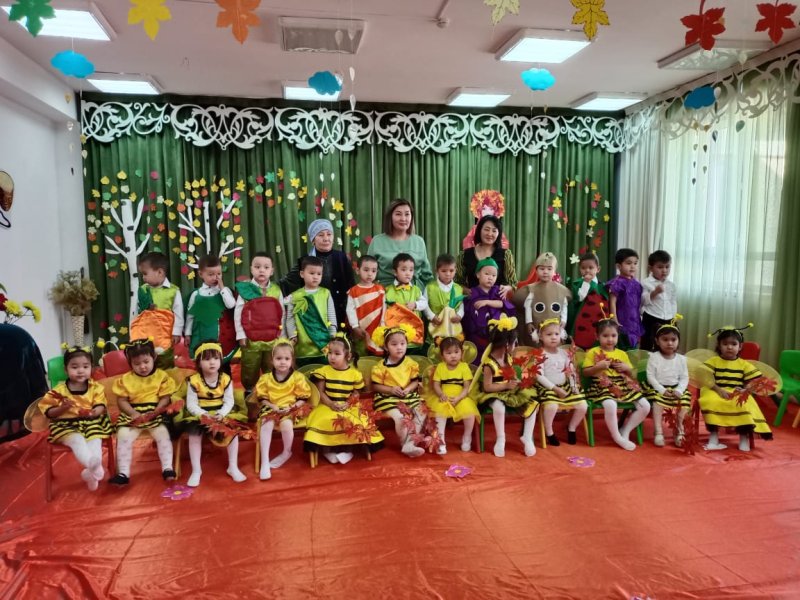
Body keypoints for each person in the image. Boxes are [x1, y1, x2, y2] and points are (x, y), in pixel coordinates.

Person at [37, 346, 113, 491]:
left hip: (91, 422)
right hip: (66, 425)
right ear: (66, 370)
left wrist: (93, 412)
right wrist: (62, 408)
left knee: (95, 439)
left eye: (85, 366)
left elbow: (100, 405)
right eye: (74, 367)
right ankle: (93, 467)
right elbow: (49, 412)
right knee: (77, 439)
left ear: (91, 368)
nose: (80, 371)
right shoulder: (59, 391)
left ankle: (91, 472)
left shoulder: (95, 388)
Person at [175, 342, 248, 487]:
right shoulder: (193, 381)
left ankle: (233, 466)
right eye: (207, 359)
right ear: (199, 363)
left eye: (215, 358)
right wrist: (204, 414)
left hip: (221, 412)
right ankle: (196, 470)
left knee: (232, 432)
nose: (212, 362)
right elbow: (191, 404)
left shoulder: (225, 379)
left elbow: (229, 401)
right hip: (200, 414)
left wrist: (222, 413)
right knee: (194, 434)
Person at [303, 335, 384, 464]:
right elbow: (320, 392)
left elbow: (356, 393)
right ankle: (327, 449)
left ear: (348, 356)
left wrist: (348, 403)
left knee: (355, 420)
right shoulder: (323, 371)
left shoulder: (354, 374)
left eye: (337, 354)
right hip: (327, 404)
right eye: (330, 353)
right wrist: (331, 403)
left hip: (348, 405)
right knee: (325, 420)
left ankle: (348, 449)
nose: (332, 357)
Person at [108, 339, 177, 486]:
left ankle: (167, 468)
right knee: (123, 435)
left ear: (154, 357)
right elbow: (122, 400)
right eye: (137, 364)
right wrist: (132, 413)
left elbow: (165, 397)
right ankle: (123, 473)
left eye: (146, 362)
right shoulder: (126, 379)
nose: (143, 367)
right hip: (133, 415)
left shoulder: (161, 377)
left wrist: (157, 411)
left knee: (163, 434)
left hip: (155, 413)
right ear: (130, 363)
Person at [471, 316, 538, 457]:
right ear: (506, 344)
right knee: (499, 407)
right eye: (514, 343)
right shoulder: (489, 364)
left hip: (508, 391)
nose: (515, 346)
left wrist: (515, 381)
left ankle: (527, 436)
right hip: (492, 393)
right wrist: (506, 385)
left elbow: (510, 374)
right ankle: (501, 438)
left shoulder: (507, 357)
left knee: (533, 404)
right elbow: (487, 387)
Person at [699, 323, 772, 452]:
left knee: (743, 403)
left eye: (733, 344)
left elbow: (757, 380)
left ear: (740, 347)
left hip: (736, 391)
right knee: (710, 401)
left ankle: (743, 436)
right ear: (719, 346)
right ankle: (713, 434)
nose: (729, 347)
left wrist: (746, 389)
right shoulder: (713, 361)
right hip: (715, 389)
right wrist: (719, 390)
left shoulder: (744, 364)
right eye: (725, 344)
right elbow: (704, 377)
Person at [582, 317, 650, 451]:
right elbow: (585, 373)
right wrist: (597, 367)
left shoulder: (622, 354)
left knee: (645, 406)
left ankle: (625, 430)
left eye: (613, 336)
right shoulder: (592, 352)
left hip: (624, 386)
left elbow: (633, 375)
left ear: (618, 336)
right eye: (605, 336)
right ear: (597, 336)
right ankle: (617, 436)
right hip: (601, 386)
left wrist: (627, 368)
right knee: (610, 404)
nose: (610, 339)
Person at [280, 219, 355, 329]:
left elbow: (352, 287)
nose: (326, 238)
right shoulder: (305, 261)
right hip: (313, 317)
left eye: (329, 234)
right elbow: (286, 284)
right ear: (313, 240)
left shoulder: (342, 258)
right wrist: (264, 286)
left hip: (340, 316)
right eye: (320, 235)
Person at [254, 340, 311, 480]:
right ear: (272, 360)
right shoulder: (266, 378)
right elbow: (261, 398)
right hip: (271, 407)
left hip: (290, 408)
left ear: (292, 360)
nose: (282, 362)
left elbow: (303, 398)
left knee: (286, 425)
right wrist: (272, 406)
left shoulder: (297, 377)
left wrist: (292, 407)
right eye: (278, 358)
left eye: (286, 359)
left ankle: (286, 451)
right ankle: (265, 461)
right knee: (267, 424)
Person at [370, 324, 426, 457]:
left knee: (421, 412)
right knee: (400, 418)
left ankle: (409, 443)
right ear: (386, 347)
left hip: (407, 396)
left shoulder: (410, 364)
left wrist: (408, 389)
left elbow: (415, 381)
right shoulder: (380, 367)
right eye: (394, 344)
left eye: (402, 343)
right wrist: (391, 389)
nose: (399, 347)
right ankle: (404, 444)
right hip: (388, 398)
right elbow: (375, 386)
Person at [234, 252, 285, 393]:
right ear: (251, 269)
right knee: (250, 367)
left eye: (266, 267)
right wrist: (241, 334)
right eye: (257, 267)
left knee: (271, 366)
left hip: (272, 339)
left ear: (272, 271)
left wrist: (282, 335)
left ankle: (271, 392)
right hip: (251, 340)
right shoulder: (245, 289)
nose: (261, 270)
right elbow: (239, 313)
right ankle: (250, 392)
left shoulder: (276, 290)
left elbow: (281, 313)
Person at [535, 319, 587, 446]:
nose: (553, 337)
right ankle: (549, 432)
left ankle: (571, 428)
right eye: (549, 334)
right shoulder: (540, 354)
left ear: (561, 335)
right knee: (551, 407)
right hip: (548, 388)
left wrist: (574, 386)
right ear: (541, 337)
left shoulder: (564, 353)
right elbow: (539, 375)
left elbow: (570, 371)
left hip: (565, 386)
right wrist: (555, 388)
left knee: (582, 406)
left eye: (556, 334)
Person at [424, 337, 479, 454]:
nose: (453, 356)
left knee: (469, 413)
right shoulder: (440, 367)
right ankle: (441, 441)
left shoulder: (464, 366)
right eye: (448, 353)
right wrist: (440, 394)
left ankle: (467, 437)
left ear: (461, 352)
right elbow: (436, 385)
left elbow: (467, 387)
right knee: (440, 413)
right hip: (444, 396)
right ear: (442, 355)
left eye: (456, 352)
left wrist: (459, 398)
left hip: (461, 396)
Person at [644, 317, 690, 448]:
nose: (670, 343)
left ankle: (679, 430)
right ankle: (658, 432)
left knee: (684, 403)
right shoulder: (654, 357)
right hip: (658, 387)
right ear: (657, 341)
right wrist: (662, 390)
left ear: (678, 341)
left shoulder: (682, 359)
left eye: (673, 340)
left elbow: (684, 377)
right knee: (658, 402)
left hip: (676, 388)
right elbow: (650, 376)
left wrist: (679, 390)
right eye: (665, 339)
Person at [367, 199, 433, 288]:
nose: (403, 218)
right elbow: (367, 271)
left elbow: (427, 275)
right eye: (398, 214)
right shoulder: (377, 241)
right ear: (390, 217)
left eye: (407, 214)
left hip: (415, 292)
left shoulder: (419, 241)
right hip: (384, 291)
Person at [136, 252, 185, 367]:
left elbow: (178, 313)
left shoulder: (173, 291)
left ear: (160, 272)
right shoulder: (142, 290)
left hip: (166, 334)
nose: (143, 277)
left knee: (165, 358)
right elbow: (137, 311)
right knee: (147, 358)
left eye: (145, 274)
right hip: (146, 333)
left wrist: (176, 332)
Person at [285, 256, 337, 361]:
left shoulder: (326, 293)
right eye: (312, 273)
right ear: (302, 274)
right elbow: (290, 318)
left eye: (319, 274)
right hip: (302, 343)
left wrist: (332, 333)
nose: (315, 277)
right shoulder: (294, 296)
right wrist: (292, 335)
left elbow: (331, 314)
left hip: (323, 342)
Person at [184, 255, 236, 356]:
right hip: (201, 336)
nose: (216, 277)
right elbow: (190, 316)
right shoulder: (196, 294)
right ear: (201, 274)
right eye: (211, 274)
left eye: (219, 274)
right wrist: (188, 333)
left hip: (220, 337)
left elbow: (231, 305)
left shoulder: (225, 291)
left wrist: (222, 288)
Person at [463, 258, 515, 360]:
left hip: (496, 336)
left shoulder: (498, 290)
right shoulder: (472, 292)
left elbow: (503, 304)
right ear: (478, 274)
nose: (490, 278)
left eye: (494, 275)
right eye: (487, 274)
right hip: (477, 336)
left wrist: (487, 302)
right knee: (477, 359)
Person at [456, 215, 517, 297]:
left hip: (496, 300)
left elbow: (513, 283)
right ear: (479, 230)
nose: (490, 234)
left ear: (498, 233)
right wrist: (465, 290)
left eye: (494, 231)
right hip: (473, 299)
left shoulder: (506, 254)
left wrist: (507, 288)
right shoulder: (464, 255)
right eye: (486, 229)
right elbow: (457, 282)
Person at [523, 252, 571, 344]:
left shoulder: (560, 289)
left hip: (555, 326)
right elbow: (528, 306)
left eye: (549, 269)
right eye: (542, 269)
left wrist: (564, 320)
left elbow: (564, 304)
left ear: (554, 271)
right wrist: (529, 322)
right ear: (536, 270)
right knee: (539, 346)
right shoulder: (532, 289)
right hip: (538, 324)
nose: (545, 272)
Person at [383, 253, 427, 351]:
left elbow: (424, 303)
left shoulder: (416, 290)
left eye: (411, 270)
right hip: (395, 334)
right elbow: (383, 310)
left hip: (413, 334)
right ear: (395, 272)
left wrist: (415, 304)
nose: (408, 273)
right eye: (404, 270)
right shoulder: (388, 290)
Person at [346, 255, 385, 356]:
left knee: (377, 356)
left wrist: (383, 325)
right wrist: (355, 327)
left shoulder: (380, 290)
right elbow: (350, 310)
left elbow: (384, 309)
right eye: (366, 270)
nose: (370, 274)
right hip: (361, 330)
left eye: (373, 271)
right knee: (361, 355)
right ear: (357, 270)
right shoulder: (353, 291)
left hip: (377, 329)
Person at [567, 253, 607, 350]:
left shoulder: (603, 286)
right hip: (582, 324)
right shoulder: (577, 284)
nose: (587, 270)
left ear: (598, 269)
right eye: (583, 268)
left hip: (598, 323)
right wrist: (586, 283)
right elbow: (580, 298)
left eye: (591, 267)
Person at [606, 248, 644, 349]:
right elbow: (612, 302)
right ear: (619, 266)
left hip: (634, 321)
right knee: (622, 347)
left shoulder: (637, 284)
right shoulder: (617, 283)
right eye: (628, 263)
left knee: (633, 348)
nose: (633, 266)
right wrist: (614, 319)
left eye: (635, 263)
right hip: (622, 320)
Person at [640, 250, 678, 352]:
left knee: (667, 345)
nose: (664, 270)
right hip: (652, 318)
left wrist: (674, 317)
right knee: (648, 344)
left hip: (669, 319)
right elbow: (642, 301)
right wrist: (655, 292)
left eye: (667, 267)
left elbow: (673, 302)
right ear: (651, 268)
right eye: (660, 267)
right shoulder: (645, 282)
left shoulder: (671, 285)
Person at [425, 253, 465, 342]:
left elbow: (461, 305)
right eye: (444, 271)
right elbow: (425, 305)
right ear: (437, 271)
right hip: (436, 327)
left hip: (453, 328)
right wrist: (432, 316)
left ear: (456, 270)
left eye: (451, 271)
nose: (448, 274)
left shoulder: (458, 288)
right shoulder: (430, 287)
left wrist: (459, 315)